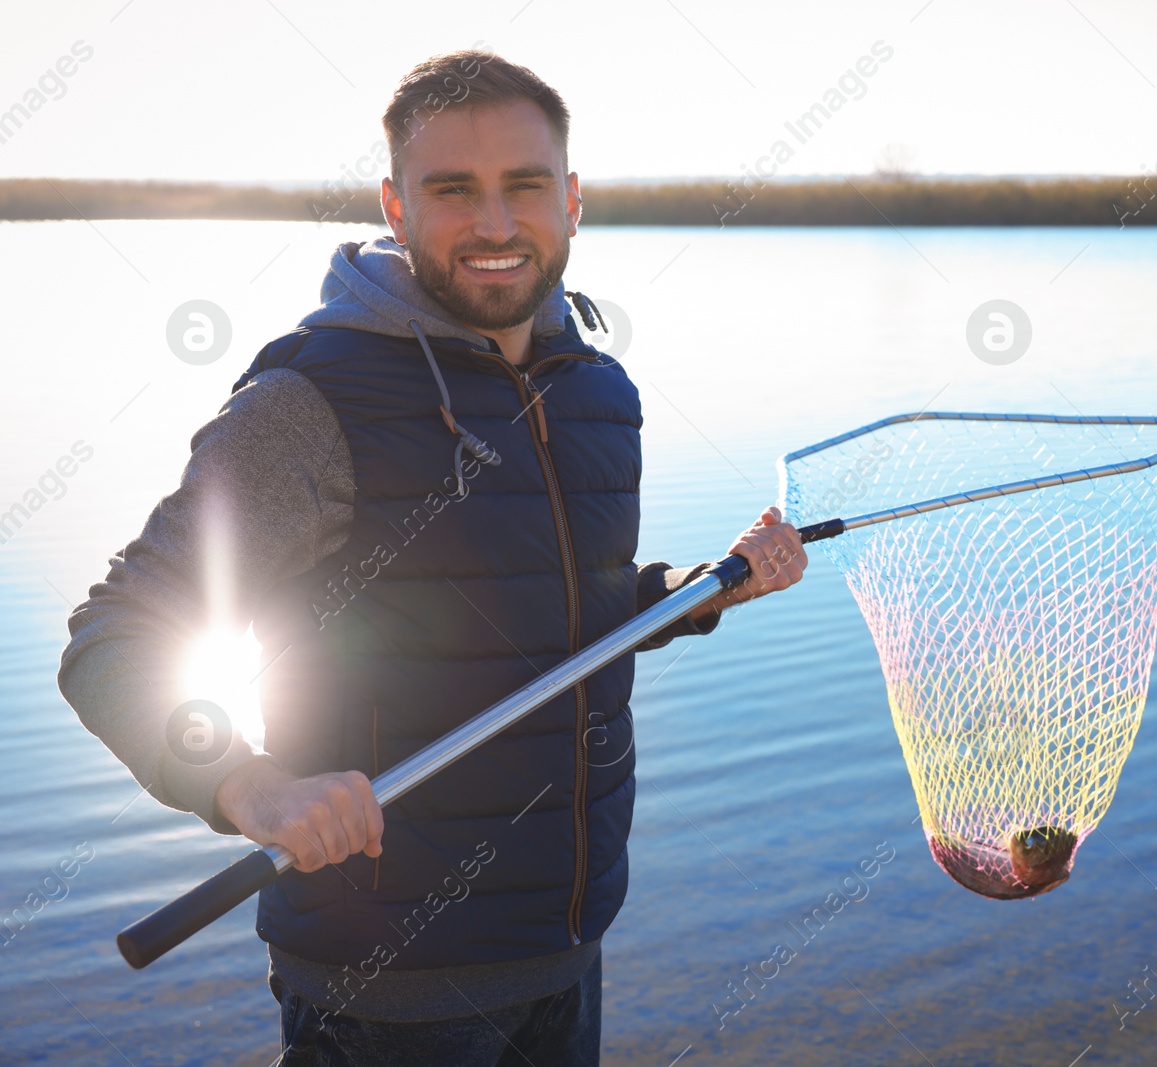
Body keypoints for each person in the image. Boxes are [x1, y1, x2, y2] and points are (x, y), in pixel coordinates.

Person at [57, 50, 806, 1066]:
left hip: (566, 945)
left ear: (572, 200)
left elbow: (570, 611)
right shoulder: (309, 404)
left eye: (525, 186)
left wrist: (700, 587)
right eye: (454, 190)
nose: (496, 224)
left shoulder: (597, 389)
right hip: (386, 987)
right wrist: (248, 781)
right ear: (395, 207)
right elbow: (115, 636)